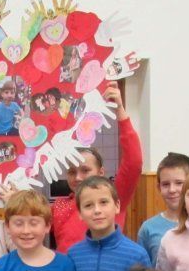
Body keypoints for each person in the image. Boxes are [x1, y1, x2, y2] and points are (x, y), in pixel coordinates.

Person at [50, 84, 142, 254]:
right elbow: (31, 219)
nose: (78, 177)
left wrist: (120, 111)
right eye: (72, 172)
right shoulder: (58, 206)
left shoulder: (113, 197)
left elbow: (134, 163)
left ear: (101, 173)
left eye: (85, 170)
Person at [137, 153, 189, 265]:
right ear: (159, 187)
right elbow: (143, 270)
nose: (172, 190)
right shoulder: (148, 228)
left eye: (179, 183)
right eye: (165, 184)